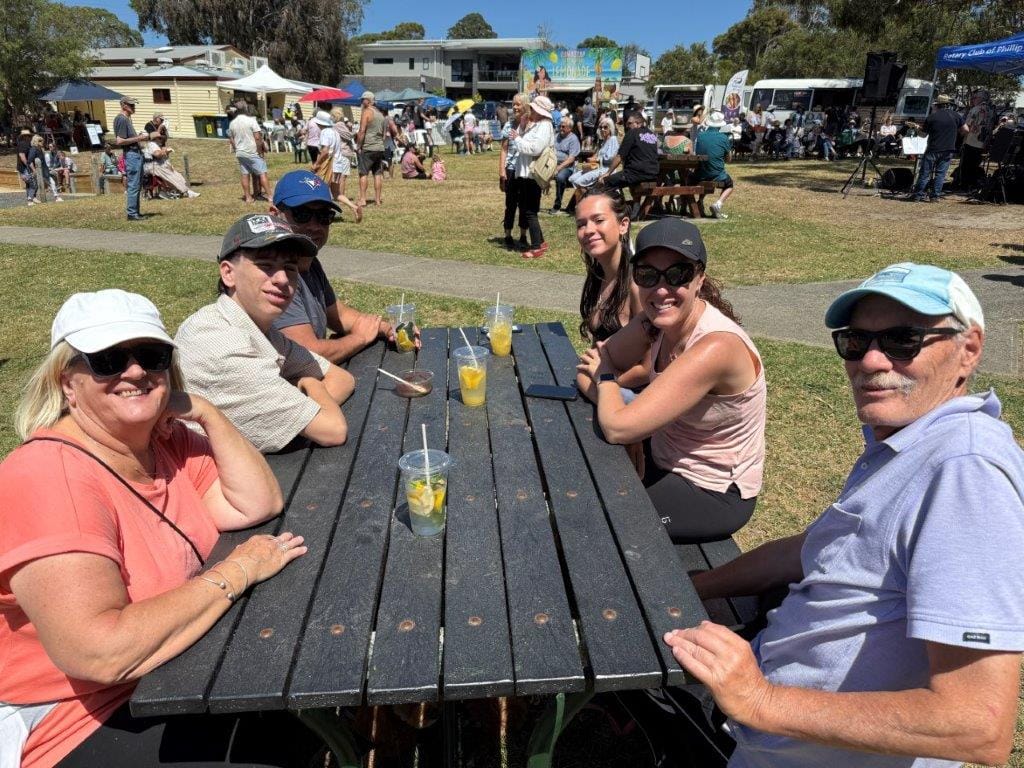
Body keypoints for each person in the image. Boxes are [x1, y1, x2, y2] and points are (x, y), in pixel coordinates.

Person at [663, 262, 1024, 768]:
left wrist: (760, 700)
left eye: (903, 340)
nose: (871, 360)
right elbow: (814, 549)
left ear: (969, 349)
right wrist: (699, 586)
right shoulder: (905, 440)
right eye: (856, 341)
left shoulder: (965, 474)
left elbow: (975, 725)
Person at [1, 289, 322, 767]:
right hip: (72, 719)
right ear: (68, 382)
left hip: (176, 671)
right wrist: (235, 573)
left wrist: (205, 411)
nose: (134, 372)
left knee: (304, 709)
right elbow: (100, 654)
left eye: (151, 356)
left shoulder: (162, 444)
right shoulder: (49, 478)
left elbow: (256, 502)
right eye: (108, 359)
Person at [576, 218, 765, 544]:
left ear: (698, 278)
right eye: (648, 274)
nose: (661, 289)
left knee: (590, 523)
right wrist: (626, 415)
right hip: (661, 457)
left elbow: (616, 423)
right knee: (575, 480)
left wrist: (614, 393)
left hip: (709, 491)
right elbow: (587, 370)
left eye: (677, 274)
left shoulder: (716, 347)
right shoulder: (654, 322)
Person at [174, 214, 354, 452]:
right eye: (265, 265)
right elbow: (332, 429)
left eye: (290, 268)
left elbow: (342, 378)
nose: (282, 279)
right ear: (228, 273)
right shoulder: (220, 345)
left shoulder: (257, 327)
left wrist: (301, 402)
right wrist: (309, 383)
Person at [268, 170, 416, 365]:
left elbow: (339, 316)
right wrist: (359, 338)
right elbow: (307, 354)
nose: (314, 226)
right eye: (302, 214)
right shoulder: (274, 274)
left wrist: (388, 328)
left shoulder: (309, 262)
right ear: (274, 214)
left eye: (323, 216)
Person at [574, 187, 648, 401]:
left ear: (623, 225)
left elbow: (649, 369)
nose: (588, 230)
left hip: (635, 397)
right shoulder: (598, 275)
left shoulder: (638, 285)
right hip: (606, 387)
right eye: (581, 224)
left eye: (598, 220)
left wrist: (599, 379)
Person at [510, 94, 555, 259]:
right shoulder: (536, 124)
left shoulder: (544, 125)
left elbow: (534, 149)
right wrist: (522, 129)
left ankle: (536, 246)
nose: (531, 111)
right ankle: (540, 241)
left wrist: (518, 139)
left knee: (530, 211)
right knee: (528, 209)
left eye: (533, 109)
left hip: (532, 174)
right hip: (526, 173)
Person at [912, 94, 963, 202]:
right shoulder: (956, 115)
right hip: (948, 149)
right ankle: (935, 196)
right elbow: (966, 130)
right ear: (948, 104)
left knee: (925, 173)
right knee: (941, 174)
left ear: (937, 105)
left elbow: (923, 135)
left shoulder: (932, 117)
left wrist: (917, 129)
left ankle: (918, 195)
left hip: (933, 148)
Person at [113, 96, 155, 220]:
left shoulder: (127, 119)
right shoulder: (121, 119)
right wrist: (139, 138)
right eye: (131, 105)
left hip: (136, 154)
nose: (133, 107)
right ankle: (132, 213)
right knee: (133, 185)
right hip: (131, 155)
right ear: (124, 105)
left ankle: (135, 211)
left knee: (137, 184)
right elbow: (120, 141)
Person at [602, 112, 659, 198]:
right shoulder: (652, 135)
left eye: (629, 123)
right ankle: (630, 205)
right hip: (652, 174)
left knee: (605, 182)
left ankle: (617, 206)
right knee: (624, 184)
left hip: (636, 173)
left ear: (637, 123)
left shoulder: (632, 133)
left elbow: (620, 156)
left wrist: (608, 173)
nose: (627, 126)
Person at [499, 93, 529, 250]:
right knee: (510, 204)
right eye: (513, 104)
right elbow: (503, 150)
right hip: (511, 169)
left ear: (525, 105)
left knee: (524, 204)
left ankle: (523, 235)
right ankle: (508, 234)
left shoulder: (530, 125)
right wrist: (501, 172)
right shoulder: (508, 126)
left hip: (525, 170)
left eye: (518, 104)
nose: (515, 107)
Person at [567, 118, 620, 203]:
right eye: (601, 127)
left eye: (605, 127)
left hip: (606, 170)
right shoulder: (603, 141)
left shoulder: (613, 139)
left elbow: (609, 158)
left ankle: (584, 204)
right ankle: (581, 204)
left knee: (580, 182)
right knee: (573, 178)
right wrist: (593, 159)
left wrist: (597, 159)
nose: (602, 129)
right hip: (596, 168)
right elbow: (598, 155)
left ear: (610, 128)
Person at [227, 103, 271, 204]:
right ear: (246, 109)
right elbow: (257, 137)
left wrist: (237, 148)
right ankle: (270, 196)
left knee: (245, 174)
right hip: (252, 151)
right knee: (262, 173)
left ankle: (248, 198)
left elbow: (231, 139)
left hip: (240, 153)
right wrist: (260, 151)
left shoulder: (232, 123)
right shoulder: (251, 120)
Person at [694, 111, 735, 219]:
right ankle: (718, 204)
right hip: (716, 175)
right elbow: (729, 159)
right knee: (729, 185)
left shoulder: (700, 136)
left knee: (706, 179)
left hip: (699, 174)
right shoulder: (724, 138)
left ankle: (700, 201)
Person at [356, 92, 394, 207]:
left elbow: (362, 131)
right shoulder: (380, 114)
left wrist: (358, 146)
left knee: (363, 173)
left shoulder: (367, 112)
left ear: (369, 100)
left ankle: (363, 199)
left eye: (363, 100)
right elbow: (383, 135)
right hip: (379, 147)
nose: (362, 102)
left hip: (368, 147)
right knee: (377, 174)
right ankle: (377, 200)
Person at [144, 131, 200, 198]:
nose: (161, 140)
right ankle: (186, 192)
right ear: (155, 138)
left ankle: (178, 191)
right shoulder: (152, 144)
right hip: (152, 166)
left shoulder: (156, 145)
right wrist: (166, 151)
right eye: (160, 138)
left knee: (177, 175)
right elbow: (157, 154)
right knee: (171, 176)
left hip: (157, 165)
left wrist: (165, 151)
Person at [959, 90, 993, 190]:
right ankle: (974, 185)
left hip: (971, 141)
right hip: (983, 142)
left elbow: (967, 125)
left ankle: (965, 186)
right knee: (976, 165)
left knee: (966, 165)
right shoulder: (991, 110)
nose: (973, 100)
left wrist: (961, 135)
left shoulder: (976, 109)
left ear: (981, 99)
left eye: (975, 98)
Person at [549, 116, 581, 214]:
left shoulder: (573, 139)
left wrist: (558, 168)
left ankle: (557, 205)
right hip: (552, 163)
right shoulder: (556, 136)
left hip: (567, 167)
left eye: (563, 127)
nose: (561, 128)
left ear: (570, 128)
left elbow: (571, 159)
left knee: (560, 177)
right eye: (560, 126)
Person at [15, 128, 38, 206]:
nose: (30, 137)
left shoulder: (24, 143)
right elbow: (22, 155)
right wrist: (28, 165)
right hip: (25, 168)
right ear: (25, 136)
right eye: (28, 136)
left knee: (29, 184)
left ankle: (30, 199)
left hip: (23, 167)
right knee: (33, 184)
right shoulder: (24, 143)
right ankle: (30, 199)